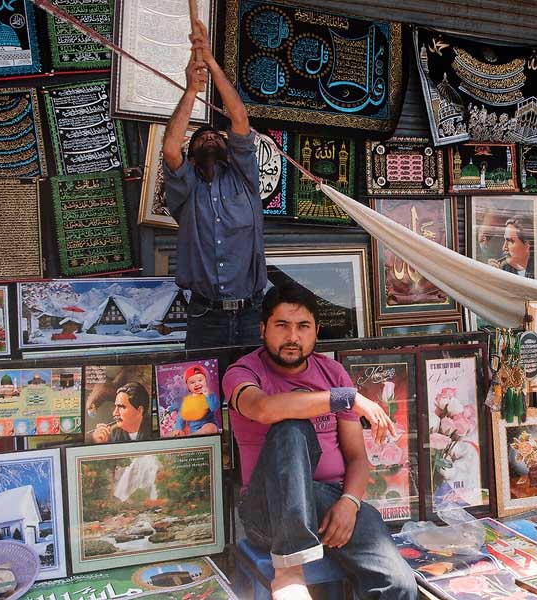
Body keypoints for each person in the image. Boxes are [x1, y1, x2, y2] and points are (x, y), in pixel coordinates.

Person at [223, 282, 416, 600]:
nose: (292, 337)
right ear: (263, 329)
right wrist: (347, 398)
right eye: (282, 325)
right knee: (291, 426)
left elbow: (356, 457)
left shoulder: (332, 372)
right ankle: (289, 570)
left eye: (303, 327)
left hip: (330, 504)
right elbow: (263, 408)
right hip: (267, 509)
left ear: (316, 331)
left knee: (398, 584)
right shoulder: (243, 372)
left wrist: (349, 504)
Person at [162, 19, 266, 349]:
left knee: (252, 396)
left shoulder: (244, 180)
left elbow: (239, 119)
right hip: (204, 316)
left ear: (227, 151)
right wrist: (192, 89)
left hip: (253, 314)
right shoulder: (186, 191)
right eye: (200, 137)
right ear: (191, 158)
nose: (209, 135)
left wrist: (210, 61)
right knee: (203, 398)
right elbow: (169, 147)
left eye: (214, 135)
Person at [173, 364, 220, 436]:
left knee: (211, 428)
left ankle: (191, 436)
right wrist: (178, 428)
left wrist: (208, 395)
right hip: (193, 429)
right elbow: (181, 415)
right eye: (192, 382)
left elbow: (215, 407)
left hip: (207, 425)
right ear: (188, 387)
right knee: (180, 431)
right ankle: (193, 435)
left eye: (200, 380)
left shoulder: (209, 395)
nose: (197, 384)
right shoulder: (188, 400)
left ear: (205, 382)